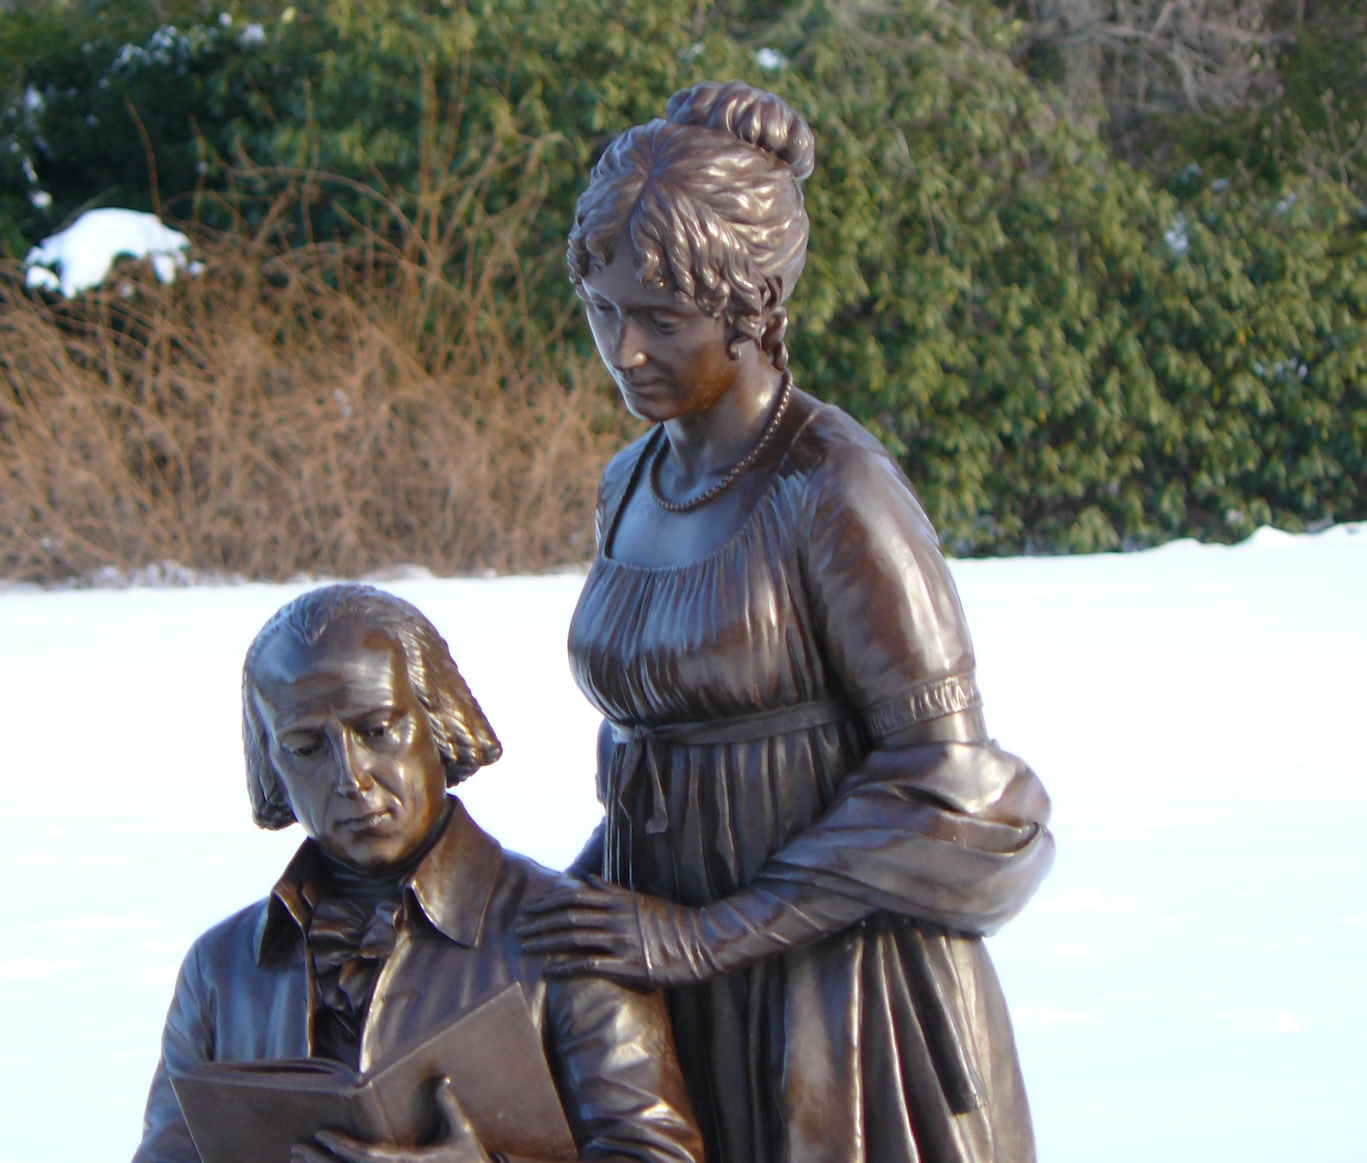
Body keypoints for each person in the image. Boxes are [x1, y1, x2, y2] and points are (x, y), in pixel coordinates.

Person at [517, 81, 1055, 1163]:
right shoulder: (630, 480)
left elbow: (947, 780)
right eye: (601, 309)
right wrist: (566, 906)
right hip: (667, 987)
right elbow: (658, 756)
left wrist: (708, 931)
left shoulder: (834, 489)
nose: (622, 351)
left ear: (752, 304)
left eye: (661, 320)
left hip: (840, 1009)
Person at [133, 584, 702, 1163]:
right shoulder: (221, 971)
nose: (350, 777)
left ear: (438, 721)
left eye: (377, 730)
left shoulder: (568, 935)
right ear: (272, 766)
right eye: (307, 748)